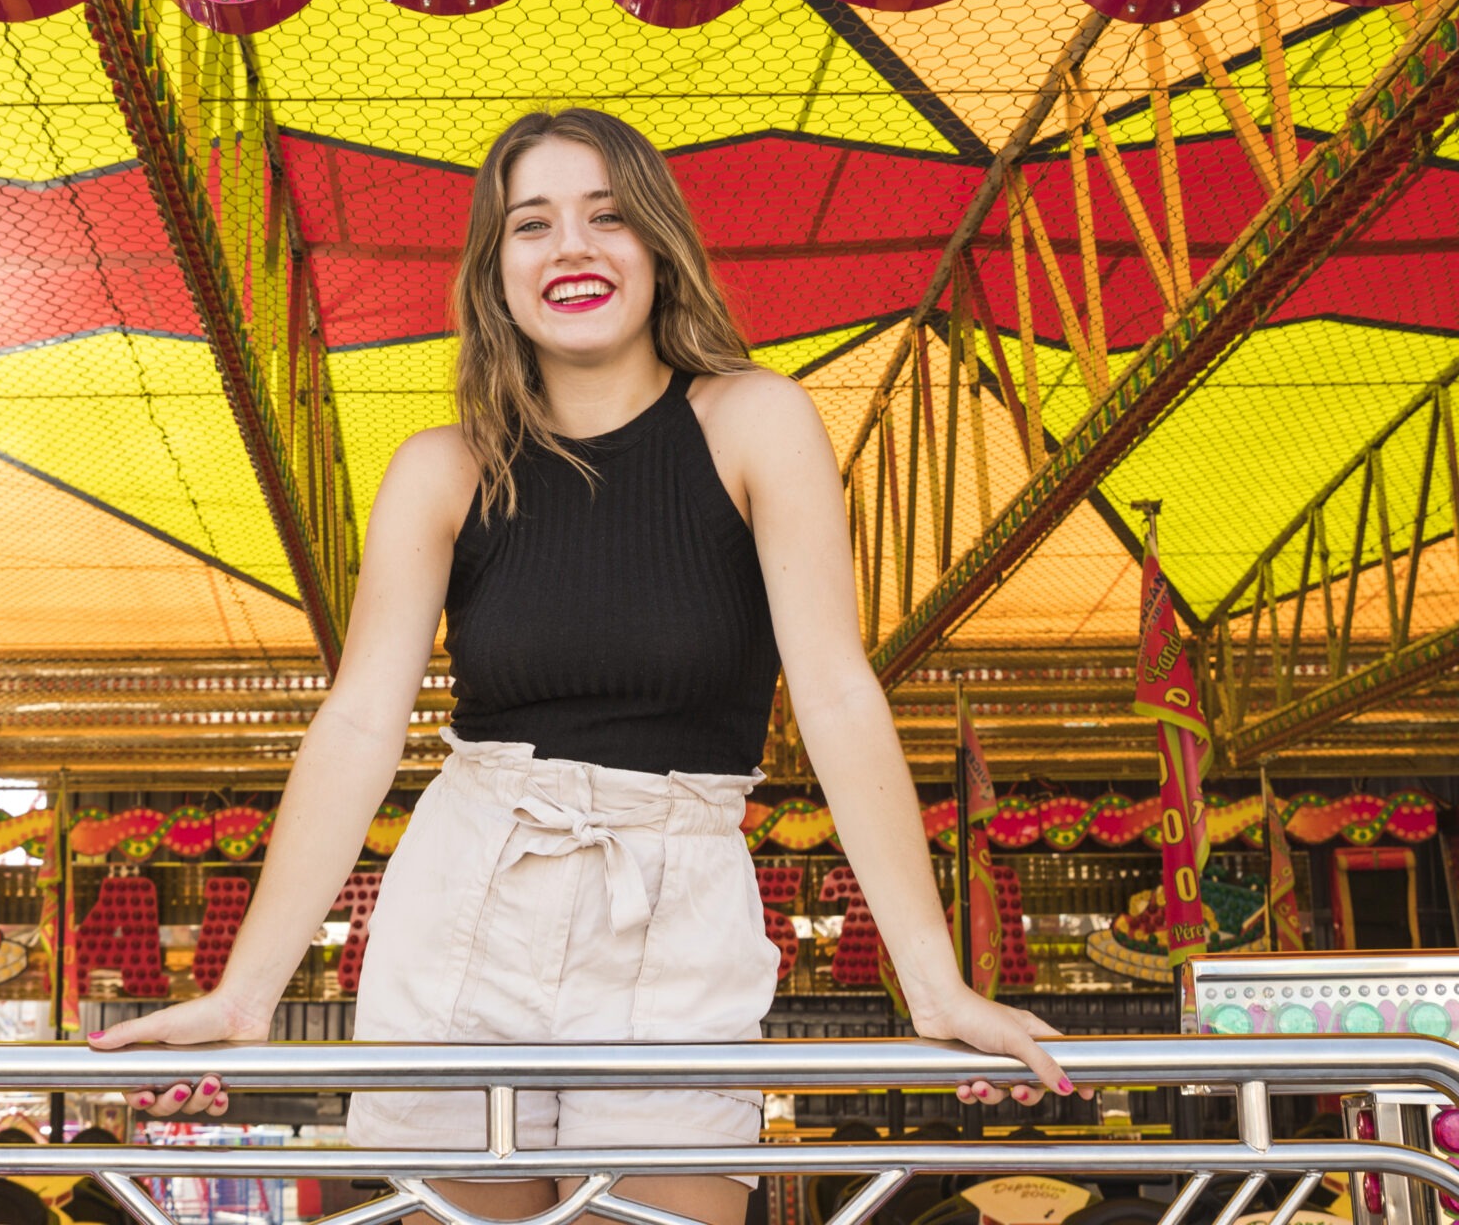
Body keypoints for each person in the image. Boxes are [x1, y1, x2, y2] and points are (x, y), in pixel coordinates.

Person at [88, 109, 1081, 1225]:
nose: (571, 246)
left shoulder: (755, 422)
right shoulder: (442, 471)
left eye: (607, 216)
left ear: (658, 248)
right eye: (531, 224)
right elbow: (362, 723)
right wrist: (246, 992)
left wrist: (934, 982)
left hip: (678, 896)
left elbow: (839, 693)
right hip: (469, 891)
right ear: (494, 273)